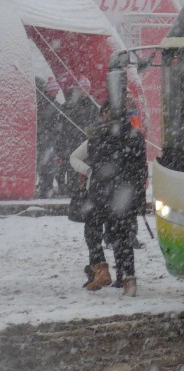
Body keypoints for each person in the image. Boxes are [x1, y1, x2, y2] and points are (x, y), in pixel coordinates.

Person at [69, 104, 147, 296]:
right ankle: (129, 279)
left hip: (100, 195)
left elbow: (74, 157)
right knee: (122, 238)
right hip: (124, 196)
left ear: (106, 117)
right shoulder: (136, 138)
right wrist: (137, 194)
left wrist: (89, 172)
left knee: (92, 230)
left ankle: (100, 268)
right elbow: (141, 168)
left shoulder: (97, 138)